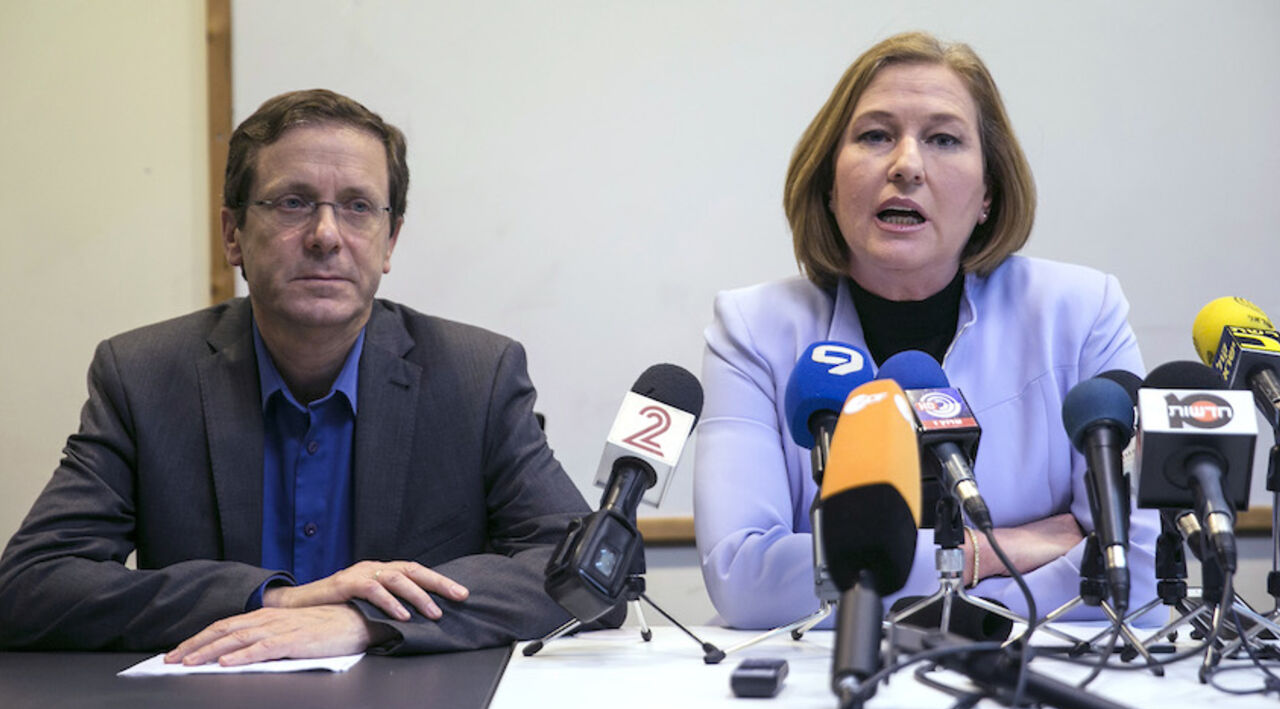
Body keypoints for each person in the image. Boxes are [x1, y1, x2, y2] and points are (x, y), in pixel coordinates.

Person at [0, 89, 613, 663]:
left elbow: (591, 573)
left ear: (389, 240)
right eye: (293, 202)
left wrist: (368, 619)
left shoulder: (476, 377)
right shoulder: (144, 376)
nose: (325, 236)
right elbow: (29, 587)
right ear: (233, 234)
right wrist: (273, 600)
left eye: (357, 207)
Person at [693, 32, 1159, 629]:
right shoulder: (752, 331)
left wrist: (967, 613)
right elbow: (744, 578)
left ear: (988, 192)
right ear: (829, 183)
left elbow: (1136, 569)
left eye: (944, 139)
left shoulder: (1080, 313)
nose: (906, 165)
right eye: (875, 135)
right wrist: (987, 553)